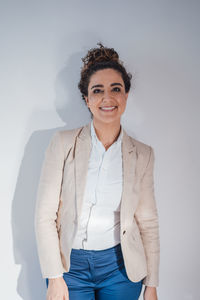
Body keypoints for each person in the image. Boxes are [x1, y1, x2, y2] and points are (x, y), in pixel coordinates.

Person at [34, 42, 160, 300]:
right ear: (87, 99)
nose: (107, 98)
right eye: (97, 90)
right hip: (70, 267)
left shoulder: (143, 154)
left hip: (120, 267)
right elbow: (45, 215)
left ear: (125, 95)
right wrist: (55, 277)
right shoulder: (63, 143)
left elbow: (147, 222)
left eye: (116, 89)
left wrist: (152, 285)